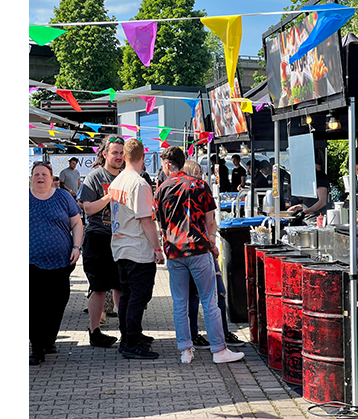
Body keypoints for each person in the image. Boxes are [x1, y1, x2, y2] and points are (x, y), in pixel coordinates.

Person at [154, 147, 245, 364]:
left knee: (179, 303)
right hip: (199, 249)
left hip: (175, 252)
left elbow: (162, 226)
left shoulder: (161, 190)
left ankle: (185, 350)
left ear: (167, 165)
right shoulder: (199, 185)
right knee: (209, 301)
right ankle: (219, 350)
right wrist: (212, 244)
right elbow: (209, 221)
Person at [108, 139, 165, 359]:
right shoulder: (139, 184)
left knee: (127, 296)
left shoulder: (117, 181)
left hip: (121, 246)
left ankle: (130, 336)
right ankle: (131, 343)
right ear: (143, 157)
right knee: (137, 298)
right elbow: (146, 220)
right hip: (137, 248)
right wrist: (157, 249)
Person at [182, 160, 245, 348]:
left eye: (201, 172)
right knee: (197, 296)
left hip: (201, 248)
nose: (200, 176)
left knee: (217, 293)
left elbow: (212, 220)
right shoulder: (187, 192)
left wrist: (211, 238)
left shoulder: (202, 189)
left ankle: (222, 333)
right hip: (196, 251)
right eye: (197, 172)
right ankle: (198, 336)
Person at [29, 161, 84, 366]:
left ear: (52, 178)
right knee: (34, 305)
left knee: (58, 301)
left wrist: (77, 247)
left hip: (60, 261)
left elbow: (77, 223)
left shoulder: (62, 197)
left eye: (44, 174)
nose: (40, 177)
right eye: (36, 174)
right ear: (31, 177)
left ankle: (49, 339)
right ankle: (37, 348)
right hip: (30, 263)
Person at [79, 136, 124, 348]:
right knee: (98, 288)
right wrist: (108, 197)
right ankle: (95, 332)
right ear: (104, 154)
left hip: (122, 237)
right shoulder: (94, 177)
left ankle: (127, 330)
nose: (119, 157)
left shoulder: (128, 176)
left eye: (121, 153)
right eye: (114, 152)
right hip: (98, 237)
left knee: (121, 285)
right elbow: (87, 209)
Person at [287, 155, 329, 225]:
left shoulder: (320, 178)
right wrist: (299, 207)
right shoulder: (311, 179)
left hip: (316, 218)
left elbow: (322, 201)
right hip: (307, 218)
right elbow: (311, 200)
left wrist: (305, 212)